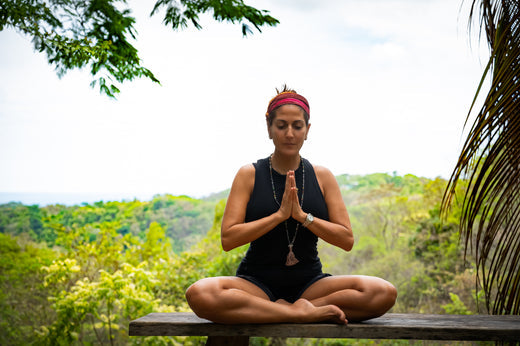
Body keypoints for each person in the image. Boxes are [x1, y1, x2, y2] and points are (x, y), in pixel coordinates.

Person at [185, 86, 397, 324]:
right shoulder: (249, 175)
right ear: (269, 128)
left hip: (311, 285)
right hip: (256, 283)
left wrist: (302, 216)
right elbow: (228, 239)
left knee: (383, 292)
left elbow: (346, 239)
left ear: (307, 130)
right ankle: (302, 313)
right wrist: (279, 216)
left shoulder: (321, 176)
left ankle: (286, 309)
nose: (289, 133)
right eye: (281, 125)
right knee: (200, 293)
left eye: (297, 126)